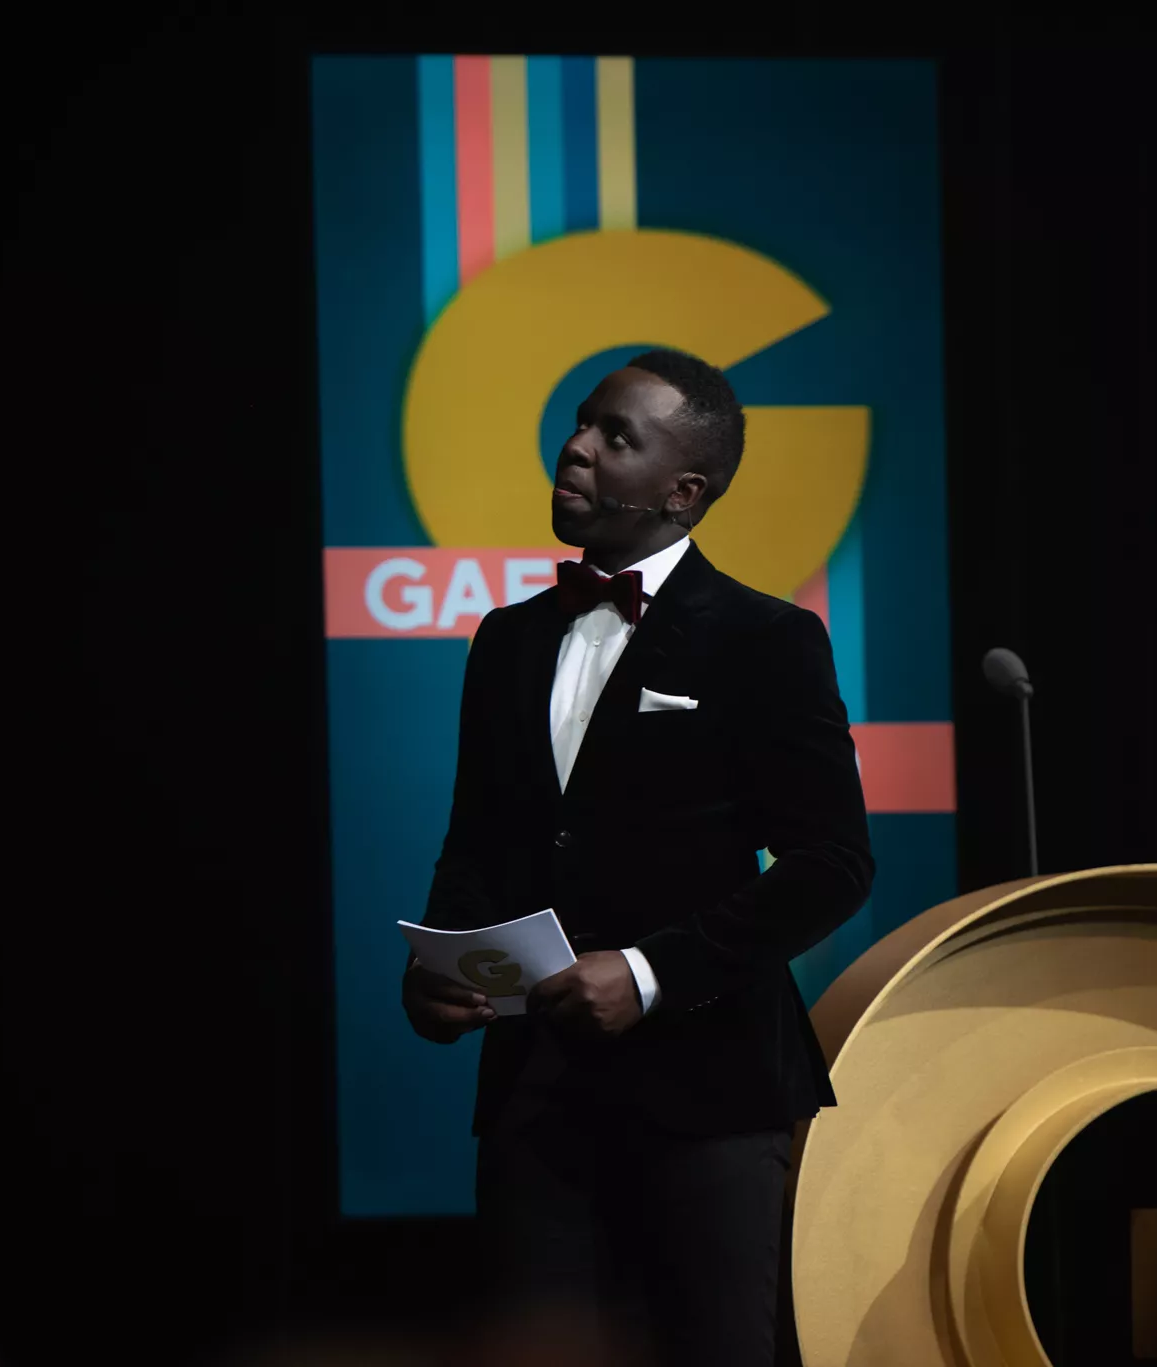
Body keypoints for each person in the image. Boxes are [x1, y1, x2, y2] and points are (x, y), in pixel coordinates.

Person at [401, 349, 875, 1367]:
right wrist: (442, 960)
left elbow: (832, 862)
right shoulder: (506, 638)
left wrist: (650, 971)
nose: (574, 446)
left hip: (711, 1099)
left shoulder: (767, 638)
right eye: (581, 421)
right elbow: (478, 840)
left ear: (682, 491)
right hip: (536, 1095)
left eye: (615, 436)